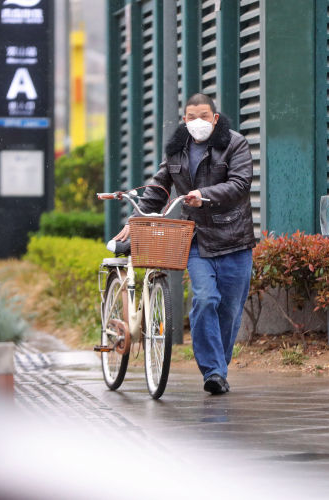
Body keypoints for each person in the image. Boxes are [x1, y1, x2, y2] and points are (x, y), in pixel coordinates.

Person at [112, 93, 255, 395]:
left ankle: (218, 367)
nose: (198, 122)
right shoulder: (177, 150)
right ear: (184, 120)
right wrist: (132, 223)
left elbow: (240, 184)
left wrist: (204, 194)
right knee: (205, 300)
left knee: (229, 311)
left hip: (234, 239)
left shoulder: (235, 143)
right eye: (191, 117)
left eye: (204, 116)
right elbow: (158, 188)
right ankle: (214, 372)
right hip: (198, 240)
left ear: (215, 119)